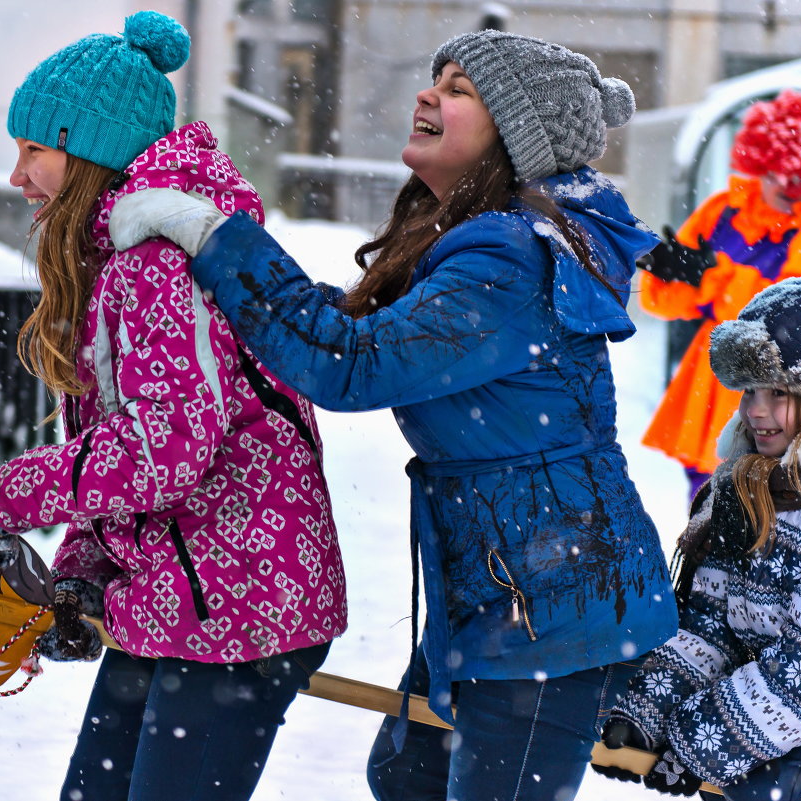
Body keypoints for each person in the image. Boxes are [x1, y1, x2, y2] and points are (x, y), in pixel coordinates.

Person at [109, 28, 678, 801]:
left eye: (458, 89)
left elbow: (347, 363)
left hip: (554, 603)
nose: (426, 94)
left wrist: (216, 241)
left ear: (514, 136)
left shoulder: (505, 261)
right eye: (434, 77)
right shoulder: (488, 241)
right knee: (407, 773)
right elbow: (346, 332)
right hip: (509, 585)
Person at [0, 12, 348, 801]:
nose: (16, 174)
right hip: (179, 595)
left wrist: (9, 497)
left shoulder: (156, 264)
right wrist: (84, 571)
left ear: (92, 152)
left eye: (35, 149)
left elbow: (161, 448)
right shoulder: (125, 256)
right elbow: (132, 448)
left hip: (235, 605)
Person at [599, 277, 801, 799]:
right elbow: (712, 623)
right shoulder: (746, 490)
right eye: (749, 392)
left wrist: (699, 741)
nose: (755, 411)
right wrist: (647, 712)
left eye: (779, 393)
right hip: (766, 749)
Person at [639, 90, 801, 502]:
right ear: (761, 164)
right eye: (778, 174)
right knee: (706, 503)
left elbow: (784, 314)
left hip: (785, 389)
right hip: (712, 378)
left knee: (776, 505)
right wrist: (672, 274)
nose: (790, 188)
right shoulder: (724, 212)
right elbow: (661, 303)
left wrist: (711, 278)